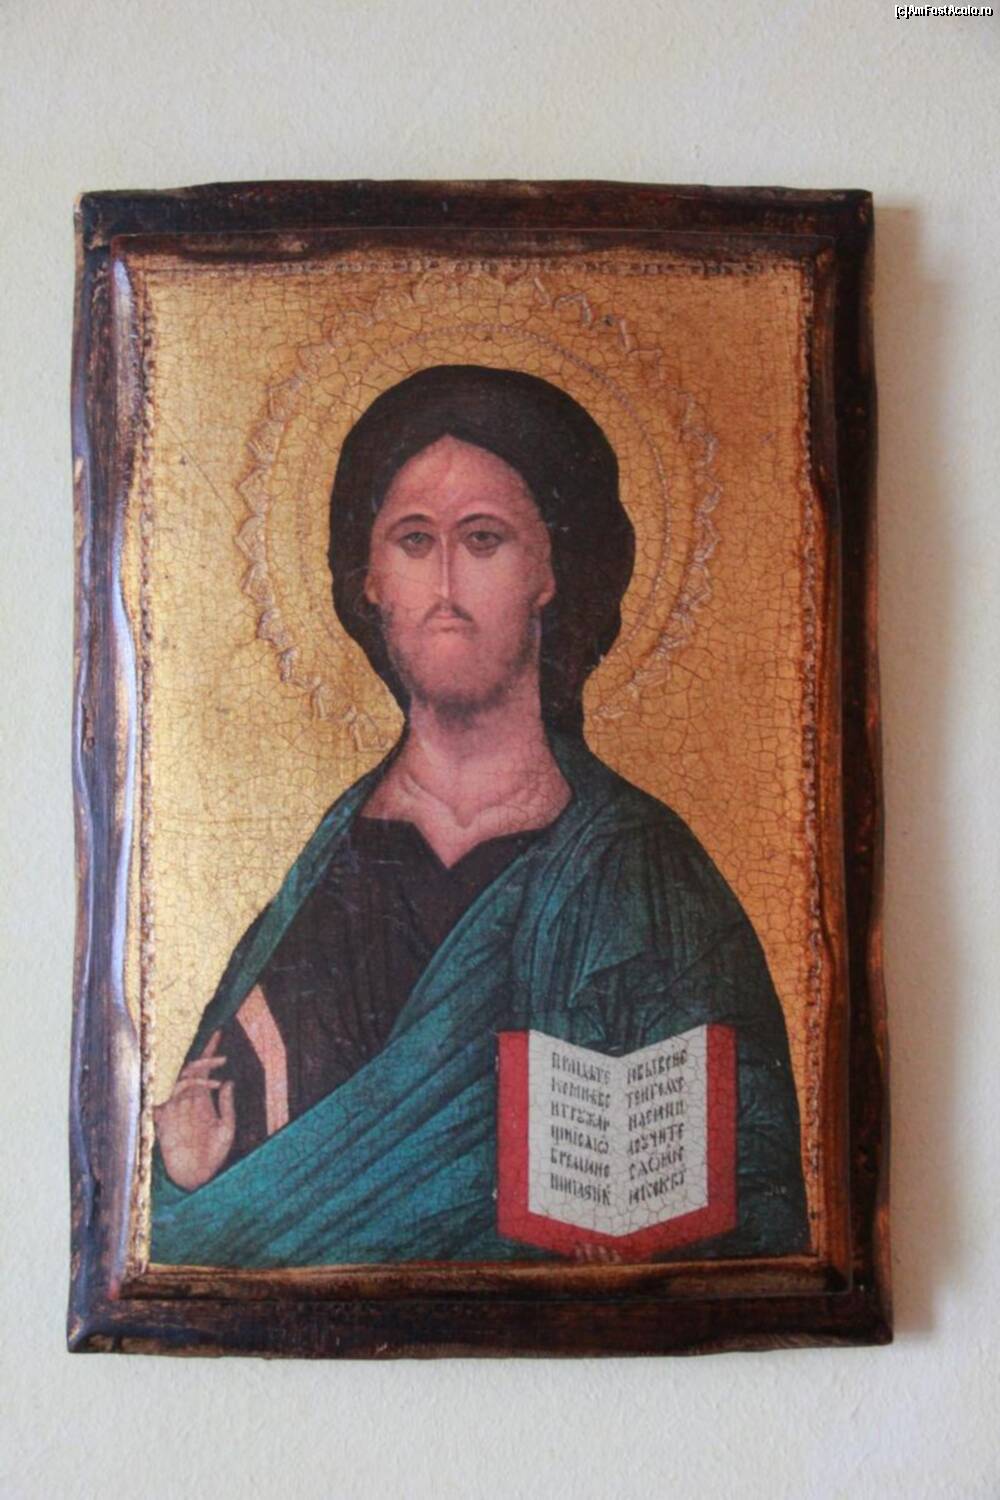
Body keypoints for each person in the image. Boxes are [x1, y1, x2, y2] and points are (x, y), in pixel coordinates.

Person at [151, 365, 808, 1268]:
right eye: (414, 540)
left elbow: (757, 1184)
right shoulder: (332, 868)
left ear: (550, 572)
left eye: (485, 539)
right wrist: (186, 1178)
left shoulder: (644, 871)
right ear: (371, 578)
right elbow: (200, 1194)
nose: (446, 580)